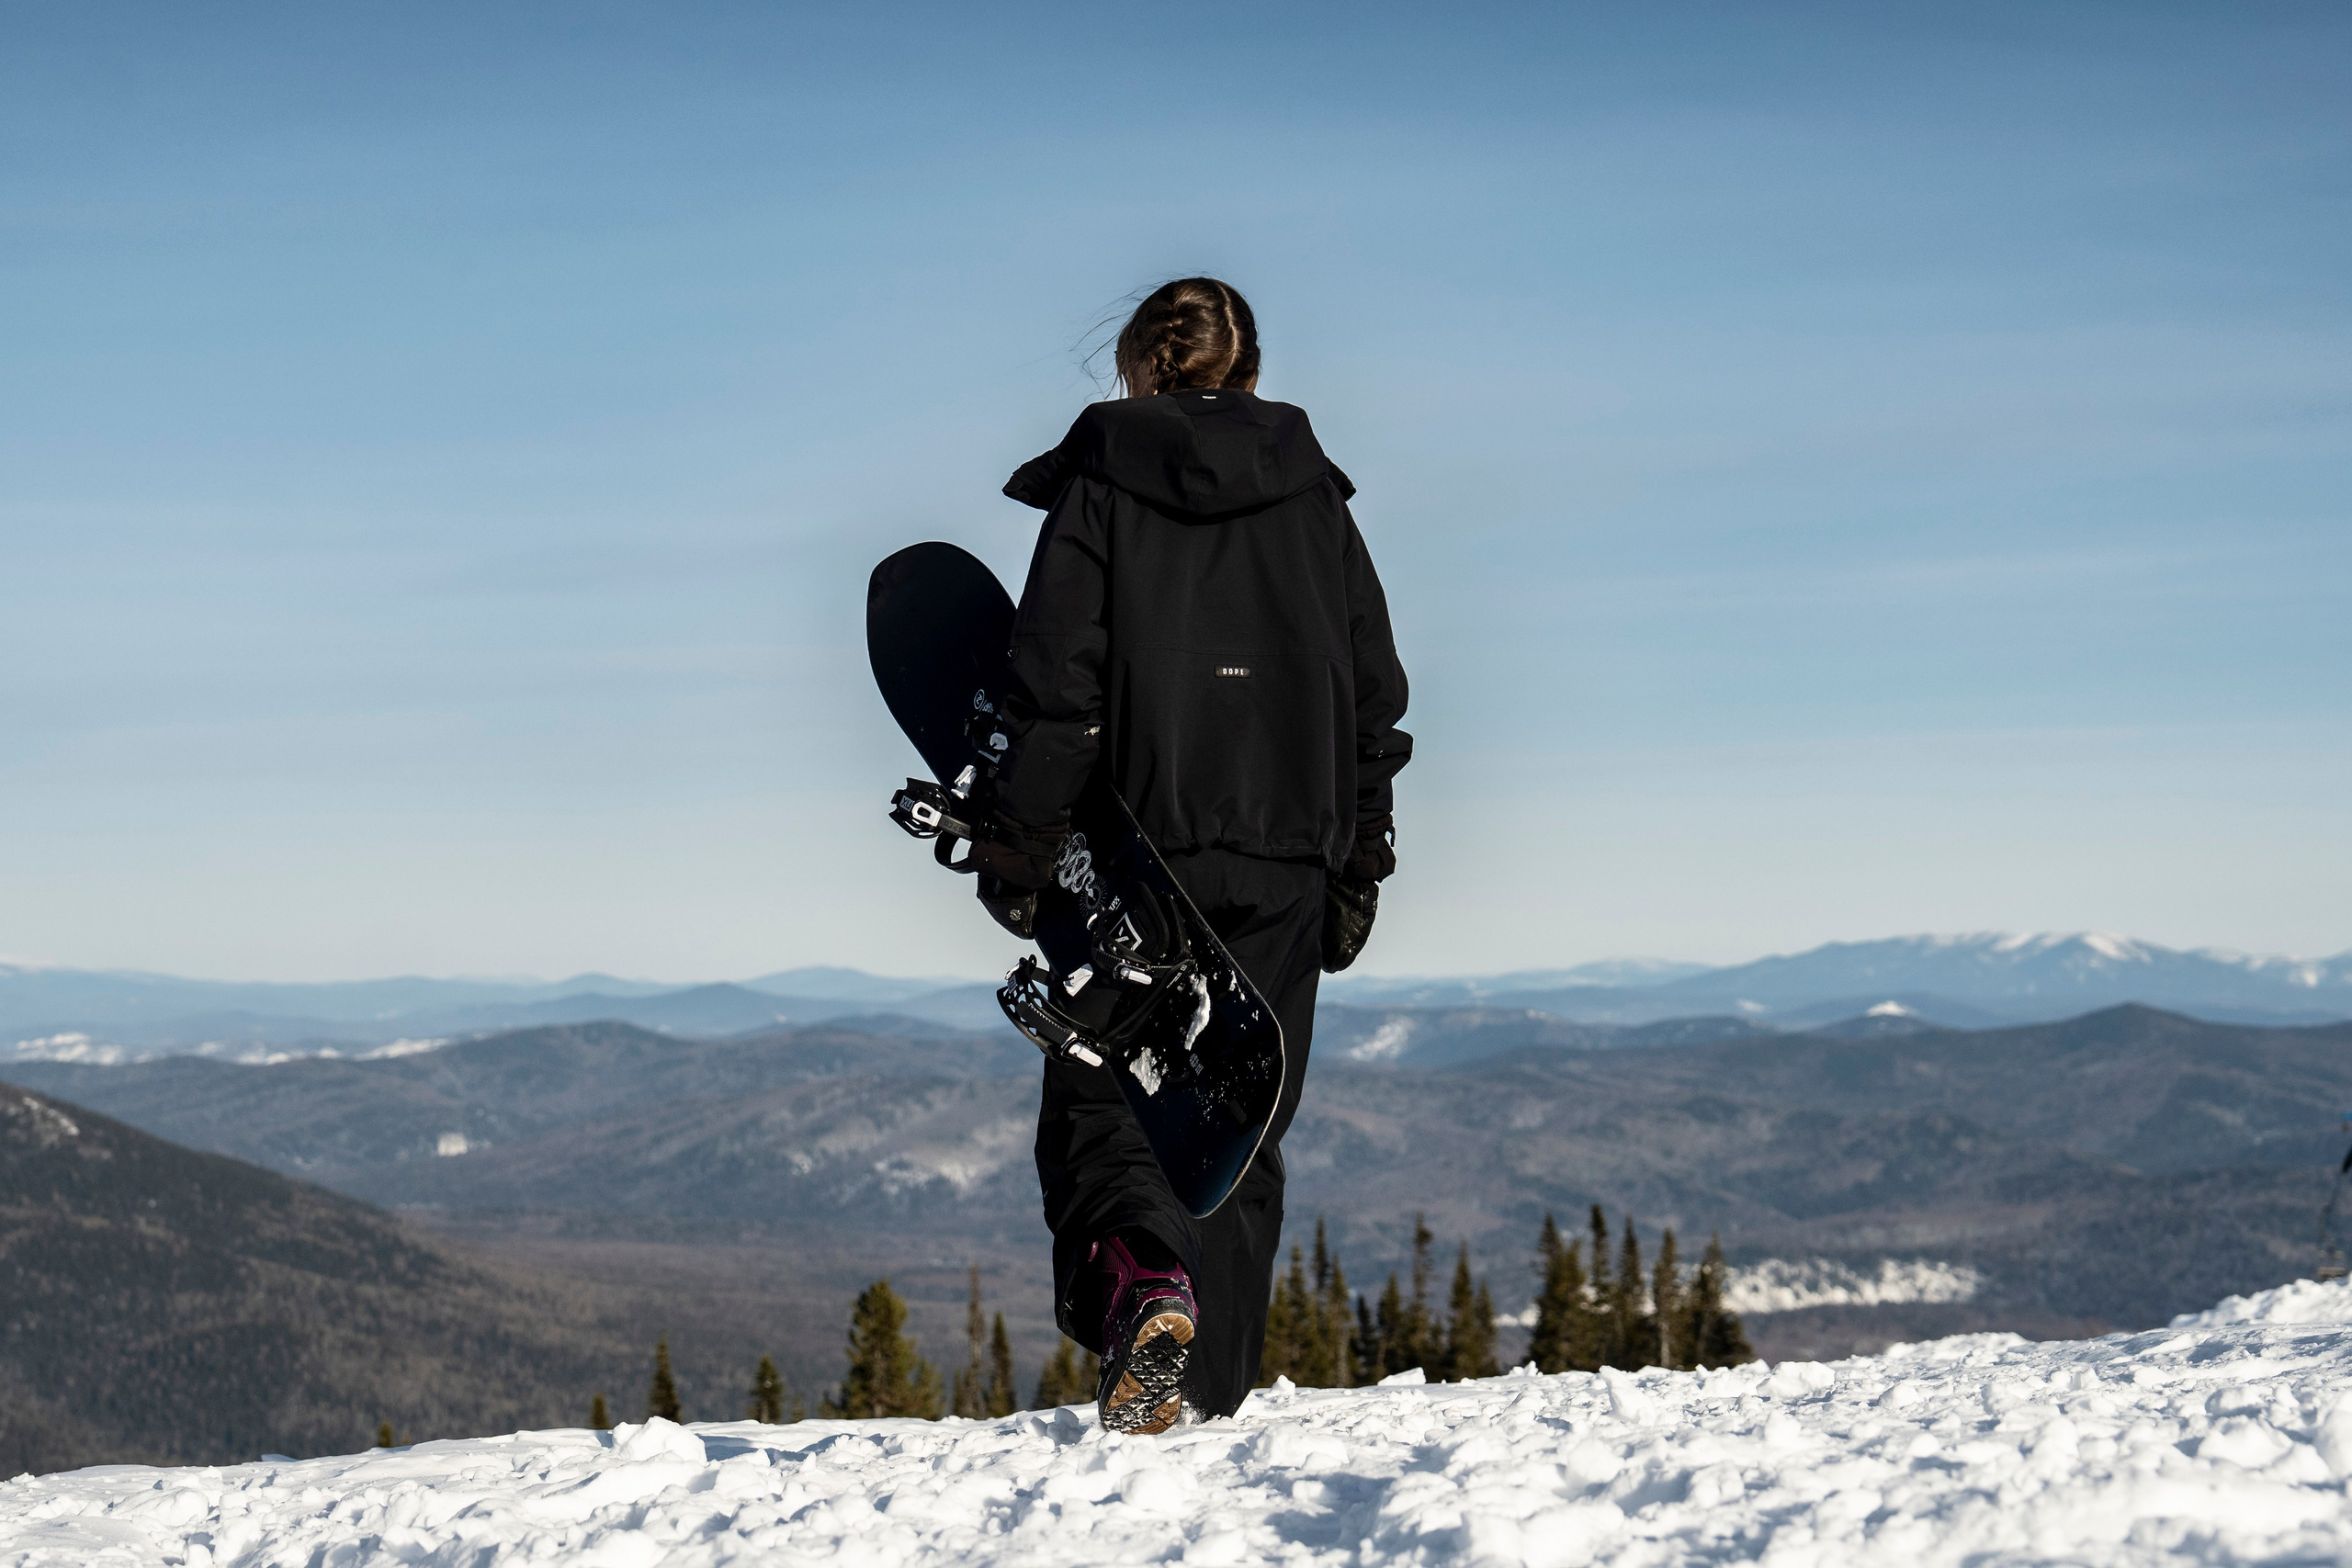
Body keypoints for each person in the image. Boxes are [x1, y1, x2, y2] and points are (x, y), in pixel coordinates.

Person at [969, 277, 1410, 1431]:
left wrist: (1019, 853)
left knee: (1104, 1107)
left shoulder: (1101, 489)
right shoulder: (1318, 504)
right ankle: (1206, 1418)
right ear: (1248, 370)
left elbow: (1053, 687)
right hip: (1285, 857)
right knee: (1236, 1126)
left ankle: (1142, 1293)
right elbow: (1372, 703)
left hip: (1136, 854)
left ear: (1135, 367)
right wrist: (1360, 863)